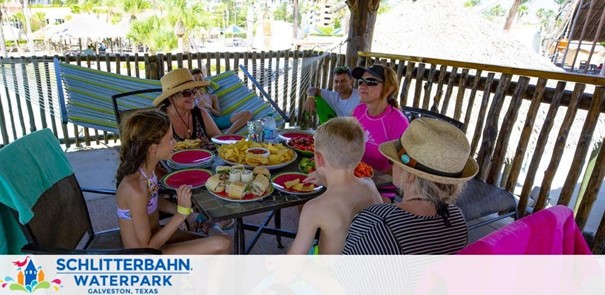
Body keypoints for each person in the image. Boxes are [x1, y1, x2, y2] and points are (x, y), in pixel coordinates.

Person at [342, 118, 478, 254]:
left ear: (410, 174)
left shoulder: (377, 223)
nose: (391, 165)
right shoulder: (456, 219)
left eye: (393, 160)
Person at [115, 109, 231, 254]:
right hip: (145, 256)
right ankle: (212, 228)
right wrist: (181, 214)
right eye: (170, 139)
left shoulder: (147, 172)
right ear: (153, 148)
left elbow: (151, 201)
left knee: (217, 239)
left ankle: (212, 227)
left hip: (157, 238)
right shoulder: (135, 189)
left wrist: (188, 214)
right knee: (222, 243)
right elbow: (147, 247)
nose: (175, 143)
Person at [288, 117, 382, 255]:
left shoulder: (314, 208)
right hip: (363, 268)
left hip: (330, 274)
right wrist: (325, 181)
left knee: (289, 248)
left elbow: (293, 262)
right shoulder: (369, 185)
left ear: (319, 159)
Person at [351, 64, 409, 175]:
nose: (362, 86)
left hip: (383, 186)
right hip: (355, 176)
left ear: (388, 89)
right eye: (360, 82)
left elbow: (402, 167)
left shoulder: (398, 122)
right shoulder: (358, 111)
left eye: (371, 82)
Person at [154, 68, 222, 150]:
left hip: (206, 161)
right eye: (186, 92)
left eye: (194, 91)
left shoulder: (200, 114)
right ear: (171, 97)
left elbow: (219, 140)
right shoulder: (159, 120)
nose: (193, 96)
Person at [190, 68, 253, 134]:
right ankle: (218, 135)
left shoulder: (212, 97)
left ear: (204, 80)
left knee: (248, 114)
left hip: (215, 121)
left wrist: (208, 106)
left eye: (200, 79)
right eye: (195, 80)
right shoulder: (189, 96)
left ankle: (226, 134)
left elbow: (218, 114)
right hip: (201, 123)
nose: (198, 82)